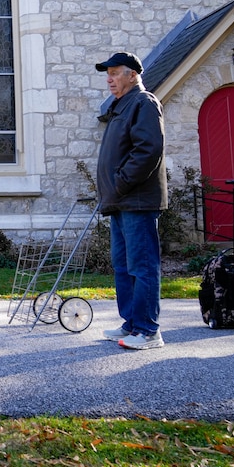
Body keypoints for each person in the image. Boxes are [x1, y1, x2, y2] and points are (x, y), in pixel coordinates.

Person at [95, 52, 169, 350]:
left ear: (133, 75)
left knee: (142, 266)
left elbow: (149, 149)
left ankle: (149, 332)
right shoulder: (120, 106)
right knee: (124, 266)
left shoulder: (144, 102)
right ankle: (132, 324)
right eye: (107, 73)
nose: (109, 78)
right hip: (120, 200)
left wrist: (121, 182)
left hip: (136, 200)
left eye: (114, 72)